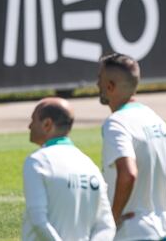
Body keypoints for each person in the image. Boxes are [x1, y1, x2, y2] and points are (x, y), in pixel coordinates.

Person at [97, 53, 166, 240]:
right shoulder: (151, 117)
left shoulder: (116, 123)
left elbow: (128, 173)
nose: (97, 84)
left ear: (110, 86)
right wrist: (161, 212)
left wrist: (112, 220)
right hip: (158, 231)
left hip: (129, 234)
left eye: (99, 79)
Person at [22, 97, 116, 240]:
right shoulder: (90, 166)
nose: (29, 126)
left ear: (47, 124)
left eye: (33, 120)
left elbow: (39, 220)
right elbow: (106, 225)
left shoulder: (37, 161)